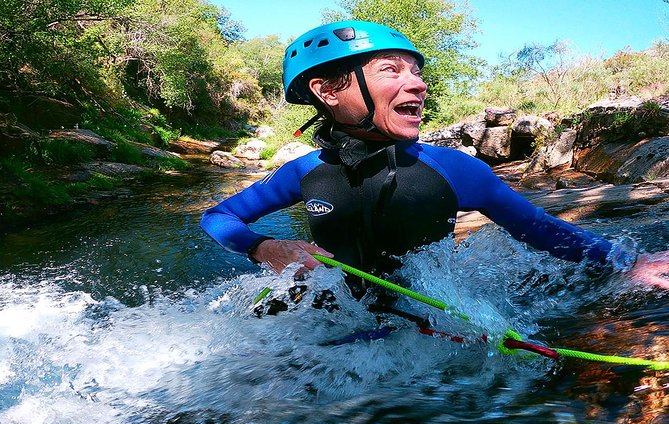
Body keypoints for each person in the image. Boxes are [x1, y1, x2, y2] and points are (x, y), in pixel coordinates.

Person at [201, 20, 669, 295]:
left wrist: (629, 262)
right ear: (327, 92)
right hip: (323, 325)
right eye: (391, 70)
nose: (419, 84)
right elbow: (218, 218)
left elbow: (540, 229)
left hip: (424, 327)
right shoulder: (302, 172)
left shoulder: (456, 169)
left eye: (417, 71)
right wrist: (263, 247)